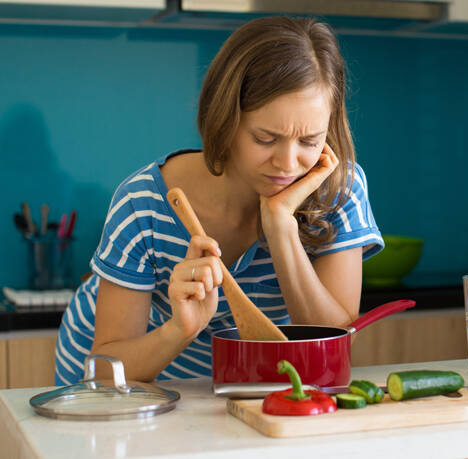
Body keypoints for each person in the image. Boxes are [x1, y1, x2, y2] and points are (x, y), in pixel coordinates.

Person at [54, 16, 383, 384]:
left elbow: (332, 341)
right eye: (265, 138)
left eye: (309, 141)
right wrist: (178, 329)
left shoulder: (338, 190)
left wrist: (280, 227)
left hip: (242, 382)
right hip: (127, 380)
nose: (288, 164)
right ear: (224, 120)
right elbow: (104, 371)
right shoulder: (142, 203)